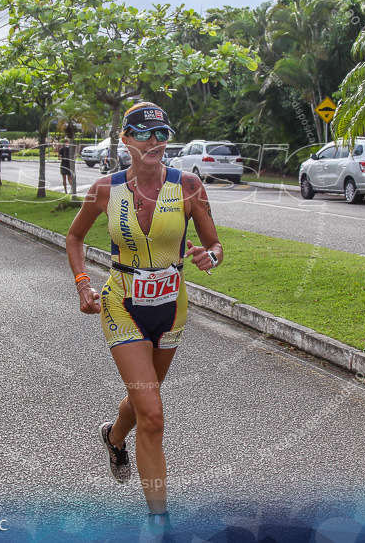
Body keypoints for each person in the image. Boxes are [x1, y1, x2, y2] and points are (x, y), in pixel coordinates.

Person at [65, 102, 222, 536]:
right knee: (152, 414)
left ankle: (114, 438)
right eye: (145, 133)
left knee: (143, 398)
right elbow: (75, 237)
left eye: (162, 133)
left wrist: (209, 256)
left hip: (172, 308)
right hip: (121, 304)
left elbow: (215, 244)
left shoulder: (189, 186)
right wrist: (83, 284)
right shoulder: (104, 189)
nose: (155, 141)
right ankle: (160, 522)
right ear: (126, 140)